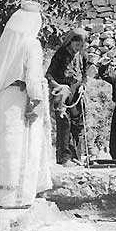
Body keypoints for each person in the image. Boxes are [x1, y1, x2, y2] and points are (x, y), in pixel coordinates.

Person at [0, 0, 52, 208]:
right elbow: (33, 78)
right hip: (21, 100)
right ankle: (17, 197)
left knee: (5, 146)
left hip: (5, 99)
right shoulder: (31, 44)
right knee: (22, 147)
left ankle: (2, 194)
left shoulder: (5, 44)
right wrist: (35, 102)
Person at [46, 28, 89, 167]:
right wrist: (58, 86)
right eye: (77, 45)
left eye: (82, 46)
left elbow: (84, 75)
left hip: (77, 94)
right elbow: (49, 75)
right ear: (70, 42)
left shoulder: (82, 56)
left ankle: (76, 156)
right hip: (63, 94)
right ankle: (64, 158)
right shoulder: (60, 55)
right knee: (65, 124)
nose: (79, 48)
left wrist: (83, 85)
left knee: (78, 125)